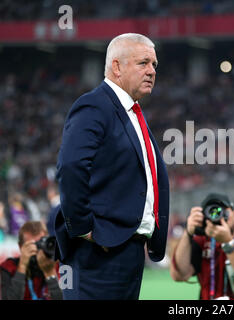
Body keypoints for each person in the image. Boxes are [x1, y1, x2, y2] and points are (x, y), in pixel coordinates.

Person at [54, 33, 170, 299]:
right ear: (117, 66)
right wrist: (83, 228)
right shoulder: (95, 105)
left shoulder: (131, 113)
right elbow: (71, 167)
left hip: (126, 251)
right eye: (143, 63)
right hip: (99, 253)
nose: (152, 71)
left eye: (154, 64)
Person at [0, 221, 62, 300]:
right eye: (33, 245)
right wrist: (22, 267)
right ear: (20, 246)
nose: (38, 250)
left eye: (42, 243)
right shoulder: (7, 268)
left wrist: (50, 274)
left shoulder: (59, 266)